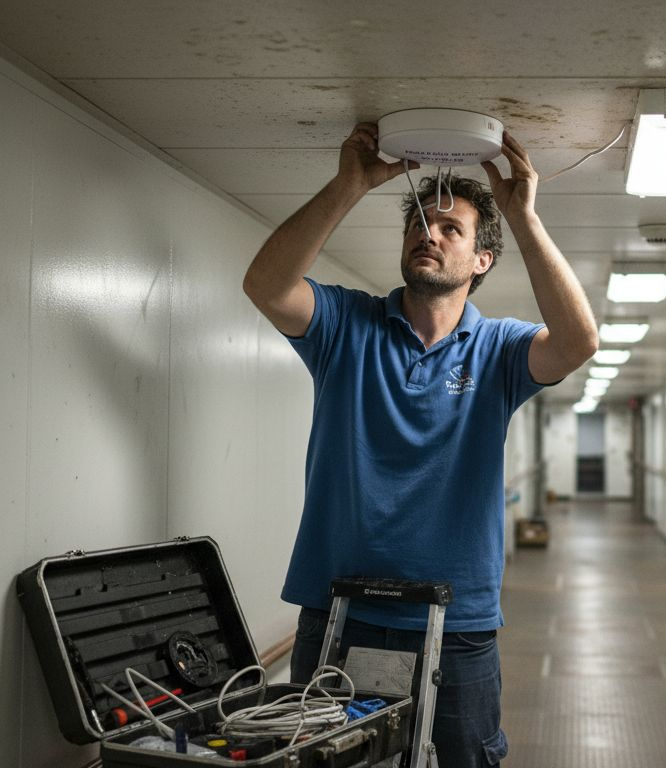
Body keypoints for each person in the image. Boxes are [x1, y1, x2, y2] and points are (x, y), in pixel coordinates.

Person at [241, 122, 597, 767]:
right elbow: (266, 286)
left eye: (450, 228)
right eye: (417, 226)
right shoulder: (345, 325)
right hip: (338, 609)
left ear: (481, 260)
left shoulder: (500, 350)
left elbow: (577, 342)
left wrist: (521, 218)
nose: (427, 234)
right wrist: (348, 185)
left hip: (456, 620)